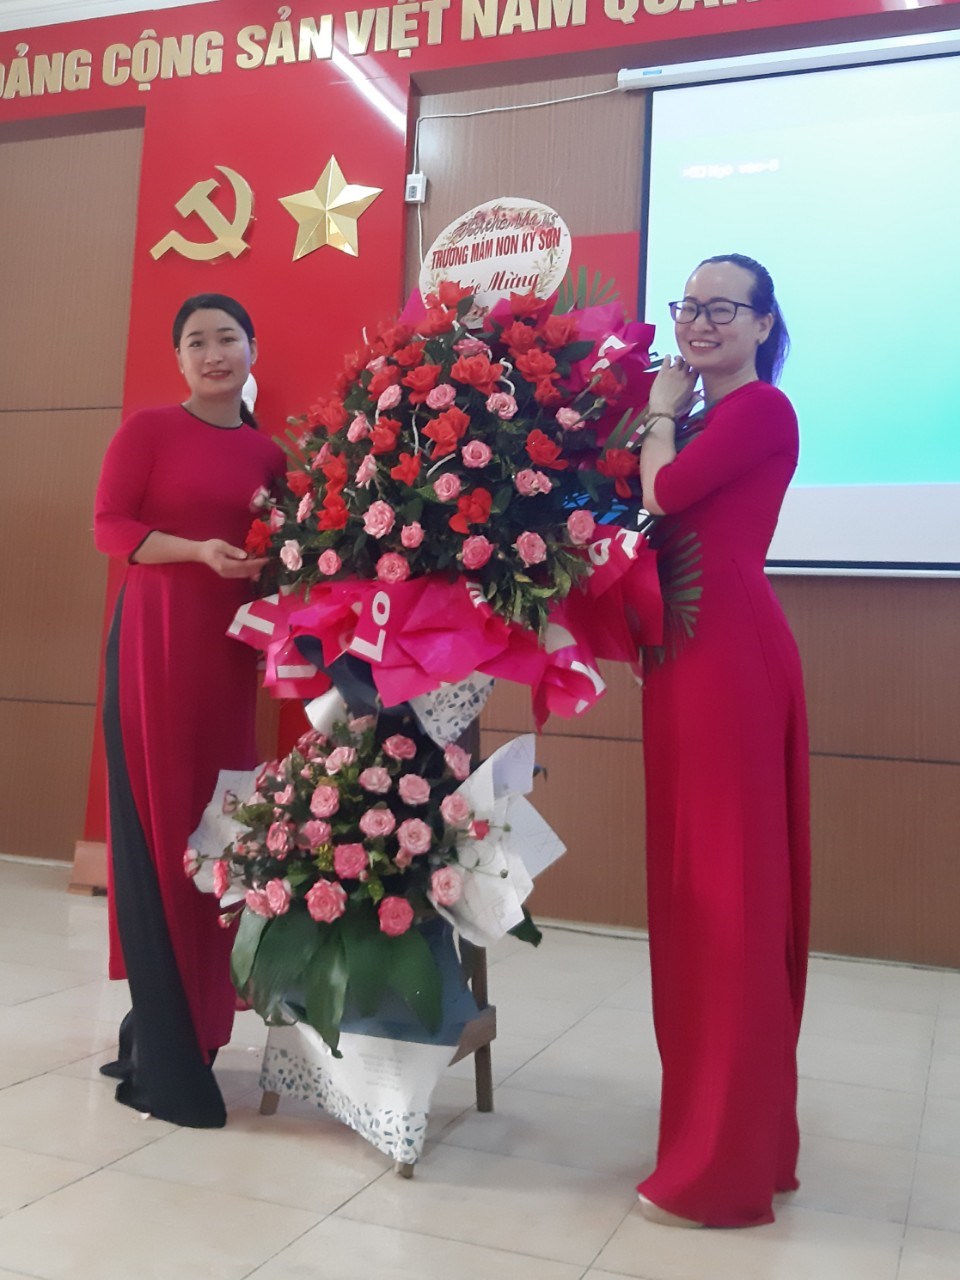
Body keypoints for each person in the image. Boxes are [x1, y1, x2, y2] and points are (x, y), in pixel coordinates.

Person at [635, 254, 810, 1227]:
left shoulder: (759, 411)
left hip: (730, 654)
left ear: (762, 323)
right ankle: (715, 1128)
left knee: (729, 894)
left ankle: (725, 1159)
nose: (699, 323)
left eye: (721, 309)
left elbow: (665, 494)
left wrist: (658, 411)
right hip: (683, 653)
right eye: (688, 306)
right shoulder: (701, 417)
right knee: (692, 893)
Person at [94, 294, 285, 1127]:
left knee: (218, 833)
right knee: (164, 823)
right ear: (178, 359)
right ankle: (170, 1040)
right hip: (157, 644)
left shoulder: (270, 453)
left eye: (228, 338)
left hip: (228, 655)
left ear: (251, 349)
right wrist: (197, 552)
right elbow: (110, 527)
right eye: (197, 342)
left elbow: (282, 552)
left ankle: (188, 1022)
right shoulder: (147, 431)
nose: (214, 354)